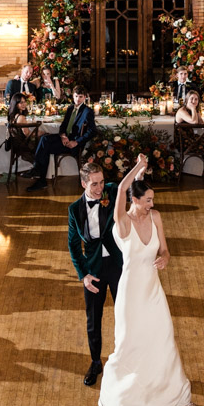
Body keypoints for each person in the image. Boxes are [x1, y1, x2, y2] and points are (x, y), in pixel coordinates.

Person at [98, 153, 203, 406]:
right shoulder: (122, 224)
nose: (152, 204)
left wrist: (165, 258)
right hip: (130, 296)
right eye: (147, 200)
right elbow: (121, 188)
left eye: (152, 199)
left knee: (164, 341)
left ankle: (181, 397)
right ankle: (126, 398)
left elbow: (165, 250)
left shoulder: (156, 217)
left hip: (153, 293)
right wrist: (138, 166)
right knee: (129, 346)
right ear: (134, 200)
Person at [68, 161, 123, 387]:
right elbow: (72, 245)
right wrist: (83, 275)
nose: (100, 188)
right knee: (93, 321)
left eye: (101, 182)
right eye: (94, 184)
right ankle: (95, 362)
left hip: (118, 266)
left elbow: (127, 185)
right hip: (93, 270)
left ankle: (125, 360)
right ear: (83, 183)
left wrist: (139, 170)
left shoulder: (110, 190)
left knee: (125, 316)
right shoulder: (74, 209)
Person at [27, 86, 96, 191]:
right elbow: (63, 126)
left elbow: (92, 131)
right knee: (44, 139)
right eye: (76, 96)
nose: (78, 99)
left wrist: (76, 142)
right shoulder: (70, 108)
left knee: (45, 147)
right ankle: (39, 173)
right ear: (73, 96)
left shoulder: (87, 111)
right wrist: (63, 136)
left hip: (73, 143)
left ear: (85, 97)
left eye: (80, 97)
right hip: (66, 139)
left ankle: (40, 176)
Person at [175, 89, 204, 182]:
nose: (194, 101)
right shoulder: (182, 110)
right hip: (184, 141)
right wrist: (193, 108)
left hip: (192, 139)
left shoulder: (194, 111)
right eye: (191, 99)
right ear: (186, 100)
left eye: (196, 99)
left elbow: (200, 123)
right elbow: (194, 122)